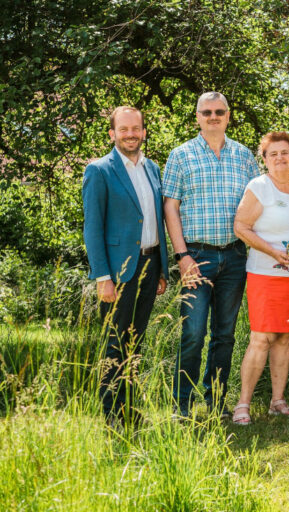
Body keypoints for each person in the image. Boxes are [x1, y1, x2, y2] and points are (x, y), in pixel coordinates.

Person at [163, 92, 259, 418]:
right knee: (192, 333)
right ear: (197, 117)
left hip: (234, 257)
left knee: (225, 335)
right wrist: (182, 256)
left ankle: (215, 401)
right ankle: (182, 405)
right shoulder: (180, 156)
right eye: (207, 112)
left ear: (229, 116)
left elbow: (259, 205)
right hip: (196, 257)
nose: (213, 116)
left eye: (219, 111)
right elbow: (170, 207)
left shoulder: (245, 157)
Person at [82, 106, 168, 426]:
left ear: (144, 132)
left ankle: (130, 411)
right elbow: (93, 228)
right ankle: (111, 418)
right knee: (114, 344)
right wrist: (103, 276)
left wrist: (159, 268)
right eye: (123, 129)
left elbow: (155, 220)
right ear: (112, 134)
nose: (130, 134)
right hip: (118, 272)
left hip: (150, 263)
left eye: (136, 129)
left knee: (135, 342)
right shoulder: (99, 170)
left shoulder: (153, 169)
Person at [230, 132, 289, 425]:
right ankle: (243, 405)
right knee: (262, 338)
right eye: (272, 153)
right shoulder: (260, 187)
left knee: (285, 337)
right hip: (265, 273)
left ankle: (277, 401)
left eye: (285, 152)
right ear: (264, 159)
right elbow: (241, 226)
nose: (280, 158)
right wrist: (273, 250)